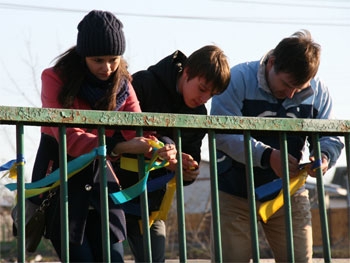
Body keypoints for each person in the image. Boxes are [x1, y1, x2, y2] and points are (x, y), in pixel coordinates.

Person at [29, 10, 177, 263]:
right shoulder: (54, 78)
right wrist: (120, 146)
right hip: (60, 181)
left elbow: (138, 131)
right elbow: (70, 138)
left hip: (101, 184)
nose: (107, 68)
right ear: (83, 55)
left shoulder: (123, 84)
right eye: (98, 60)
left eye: (113, 59)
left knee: (114, 259)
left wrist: (164, 147)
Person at [210, 29, 344, 262]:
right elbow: (222, 134)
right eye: (286, 84)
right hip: (234, 194)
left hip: (288, 194)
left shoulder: (319, 91)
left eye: (299, 88)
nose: (291, 93)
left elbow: (330, 136)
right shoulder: (237, 79)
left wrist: (322, 158)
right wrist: (266, 155)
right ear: (272, 63)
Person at [114, 45, 231, 262]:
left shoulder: (199, 113)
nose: (204, 98)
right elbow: (113, 137)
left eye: (211, 95)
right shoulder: (143, 84)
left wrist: (188, 169)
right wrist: (155, 150)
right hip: (113, 195)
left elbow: (190, 156)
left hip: (150, 205)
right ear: (186, 72)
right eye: (202, 88)